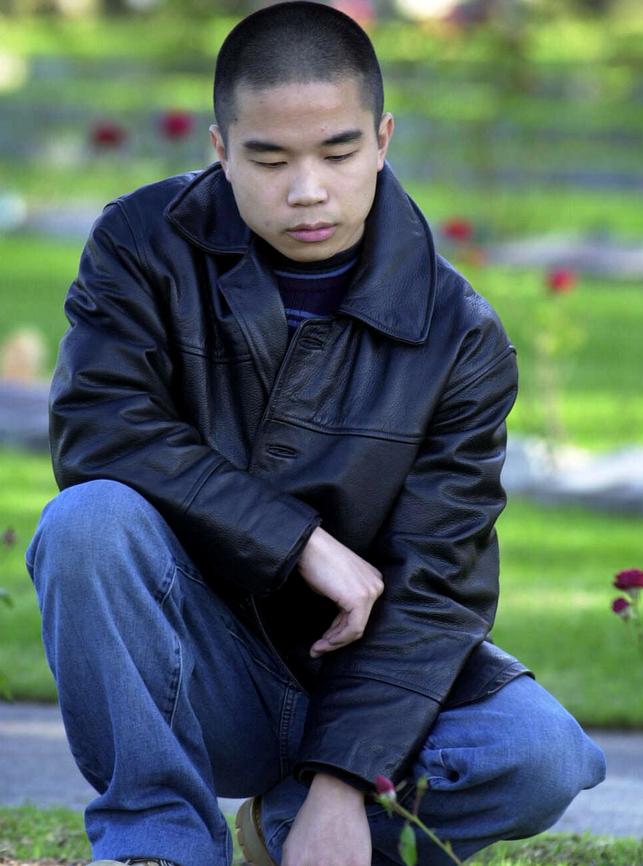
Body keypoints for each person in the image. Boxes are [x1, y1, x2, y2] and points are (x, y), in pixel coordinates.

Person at [26, 4, 606, 866]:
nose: (308, 190)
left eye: (337, 153)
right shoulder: (144, 243)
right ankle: (159, 846)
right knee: (86, 523)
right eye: (269, 158)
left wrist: (343, 783)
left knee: (541, 755)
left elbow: (437, 585)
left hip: (360, 681)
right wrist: (298, 542)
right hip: (194, 665)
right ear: (221, 150)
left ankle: (285, 826)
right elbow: (100, 429)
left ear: (382, 139)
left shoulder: (461, 337)